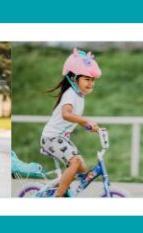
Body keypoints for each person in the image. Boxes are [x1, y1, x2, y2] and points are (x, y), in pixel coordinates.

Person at [39, 48, 102, 197]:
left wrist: (87, 126)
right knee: (75, 162)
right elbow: (66, 114)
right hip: (52, 138)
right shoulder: (70, 94)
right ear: (74, 78)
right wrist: (85, 120)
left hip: (61, 138)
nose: (91, 83)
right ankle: (58, 196)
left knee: (81, 167)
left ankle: (58, 187)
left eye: (92, 80)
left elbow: (74, 118)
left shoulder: (79, 96)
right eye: (87, 79)